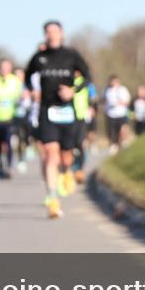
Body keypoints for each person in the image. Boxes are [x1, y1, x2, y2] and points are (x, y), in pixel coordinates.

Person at [24, 22, 92, 219]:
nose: (51, 35)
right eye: (48, 32)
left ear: (61, 33)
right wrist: (33, 89)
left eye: (55, 31)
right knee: (50, 156)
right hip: (47, 110)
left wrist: (74, 91)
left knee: (66, 157)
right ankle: (52, 199)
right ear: (45, 34)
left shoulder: (71, 55)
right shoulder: (40, 58)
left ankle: (67, 170)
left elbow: (88, 77)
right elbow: (28, 77)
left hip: (67, 111)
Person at [0, 58, 24, 179]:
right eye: (2, 67)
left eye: (7, 67)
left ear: (11, 69)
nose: (4, 70)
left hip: (10, 118)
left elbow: (20, 98)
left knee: (8, 142)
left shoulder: (16, 81)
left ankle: (8, 166)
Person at [71, 69, 97, 184]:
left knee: (81, 143)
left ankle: (80, 170)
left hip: (82, 117)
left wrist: (92, 108)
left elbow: (93, 98)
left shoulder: (87, 83)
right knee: (71, 144)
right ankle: (72, 168)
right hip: (69, 117)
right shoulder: (68, 81)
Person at [103, 75, 131, 154]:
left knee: (122, 130)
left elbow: (128, 102)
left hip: (121, 113)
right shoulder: (106, 89)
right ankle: (114, 145)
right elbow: (103, 99)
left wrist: (119, 103)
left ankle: (123, 142)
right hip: (110, 114)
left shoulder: (122, 89)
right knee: (112, 132)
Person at [12, 67, 32, 174]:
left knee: (28, 134)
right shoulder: (12, 86)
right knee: (19, 137)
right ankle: (21, 160)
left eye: (20, 74)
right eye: (16, 75)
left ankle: (29, 144)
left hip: (28, 114)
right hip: (17, 114)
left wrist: (29, 95)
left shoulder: (28, 85)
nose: (18, 77)